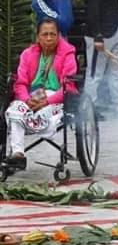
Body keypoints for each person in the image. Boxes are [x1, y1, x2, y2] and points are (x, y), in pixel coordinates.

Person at [4, 19, 77, 170]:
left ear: (58, 36)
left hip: (57, 97)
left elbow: (67, 86)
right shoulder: (28, 54)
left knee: (43, 113)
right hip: (33, 95)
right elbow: (21, 83)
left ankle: (34, 123)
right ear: (38, 37)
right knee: (15, 109)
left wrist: (47, 101)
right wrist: (26, 100)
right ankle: (18, 154)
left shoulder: (68, 52)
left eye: (53, 34)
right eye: (45, 34)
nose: (49, 38)